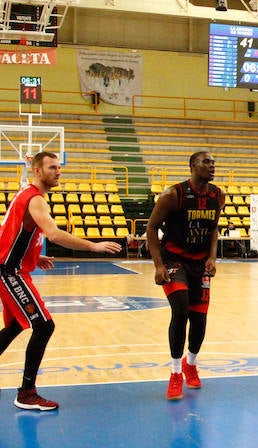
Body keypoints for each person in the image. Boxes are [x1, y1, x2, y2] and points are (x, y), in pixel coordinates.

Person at [0, 152, 122, 411]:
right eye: (52, 167)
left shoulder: (27, 196)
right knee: (44, 326)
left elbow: (12, 232)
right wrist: (93, 246)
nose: (58, 172)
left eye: (59, 167)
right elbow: (53, 234)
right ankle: (26, 393)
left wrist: (35, 254)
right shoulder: (34, 199)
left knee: (15, 328)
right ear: (37, 171)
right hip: (10, 272)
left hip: (12, 268)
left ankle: (27, 391)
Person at [147, 151, 226, 401]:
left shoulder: (217, 195)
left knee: (199, 319)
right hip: (173, 260)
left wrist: (212, 258)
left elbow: (213, 230)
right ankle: (174, 372)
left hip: (200, 263)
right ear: (192, 166)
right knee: (180, 310)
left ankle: (190, 363)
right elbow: (151, 228)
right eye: (206, 162)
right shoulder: (173, 195)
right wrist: (158, 265)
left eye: (213, 163)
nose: (212, 166)